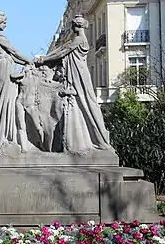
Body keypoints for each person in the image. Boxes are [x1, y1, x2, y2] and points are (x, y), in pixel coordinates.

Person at [34, 15, 110, 152]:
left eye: (72, 25)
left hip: (79, 74)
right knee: (84, 103)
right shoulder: (79, 39)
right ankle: (86, 139)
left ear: (76, 27)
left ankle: (99, 139)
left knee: (88, 103)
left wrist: (44, 59)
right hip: (78, 73)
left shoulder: (78, 40)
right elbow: (62, 51)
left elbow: (62, 51)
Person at [0, 12, 33, 147]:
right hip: (4, 67)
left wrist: (25, 63)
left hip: (1, 65)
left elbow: (12, 56)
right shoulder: (0, 37)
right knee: (5, 99)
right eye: (4, 22)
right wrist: (29, 60)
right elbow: (14, 52)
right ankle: (2, 136)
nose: (6, 24)